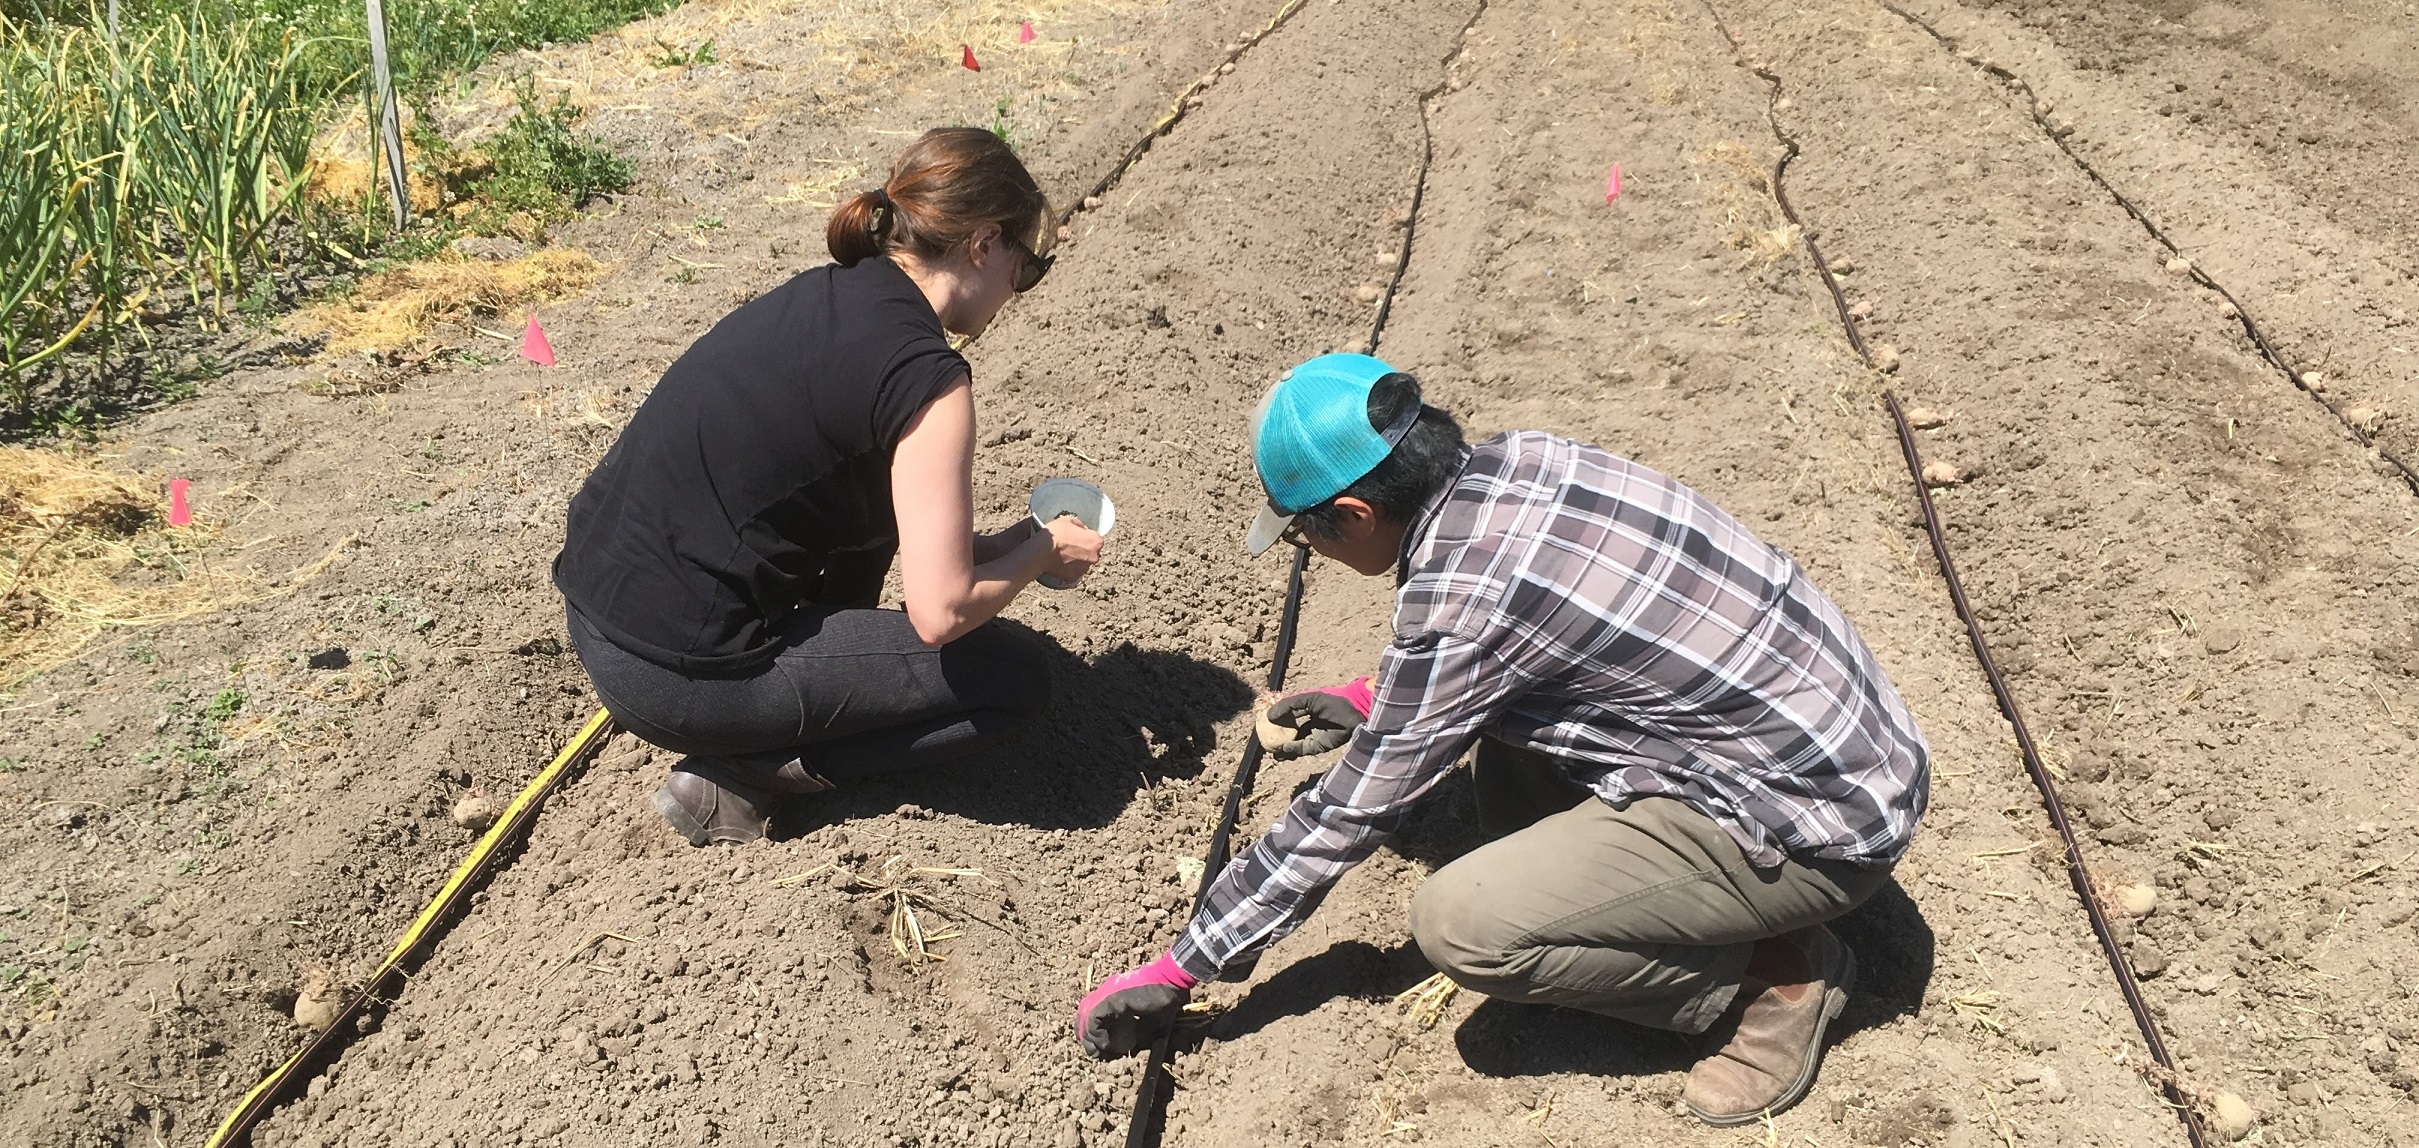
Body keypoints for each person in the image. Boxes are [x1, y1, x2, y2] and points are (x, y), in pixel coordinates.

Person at [1075, 354, 1929, 1124]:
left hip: (1814, 830)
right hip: (1843, 752)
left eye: (1304, 534)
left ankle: (1770, 982)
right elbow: (1553, 635)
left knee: (1463, 923)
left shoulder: (1464, 602)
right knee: (1504, 755)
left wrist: (1187, 964)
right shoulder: (1527, 458)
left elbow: (1347, 814)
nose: (1306, 550)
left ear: (1354, 512)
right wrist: (1378, 696)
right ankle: (1673, 915)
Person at [554, 127, 1103, 848]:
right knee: (1014, 677)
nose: (1016, 291)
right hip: (676, 676)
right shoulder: (927, 381)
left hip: (600, 619)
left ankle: (766, 723)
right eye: (1025, 268)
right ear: (984, 244)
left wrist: (1008, 545)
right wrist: (1040, 556)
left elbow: (871, 522)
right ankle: (749, 772)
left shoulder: (826, 297)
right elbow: (939, 613)